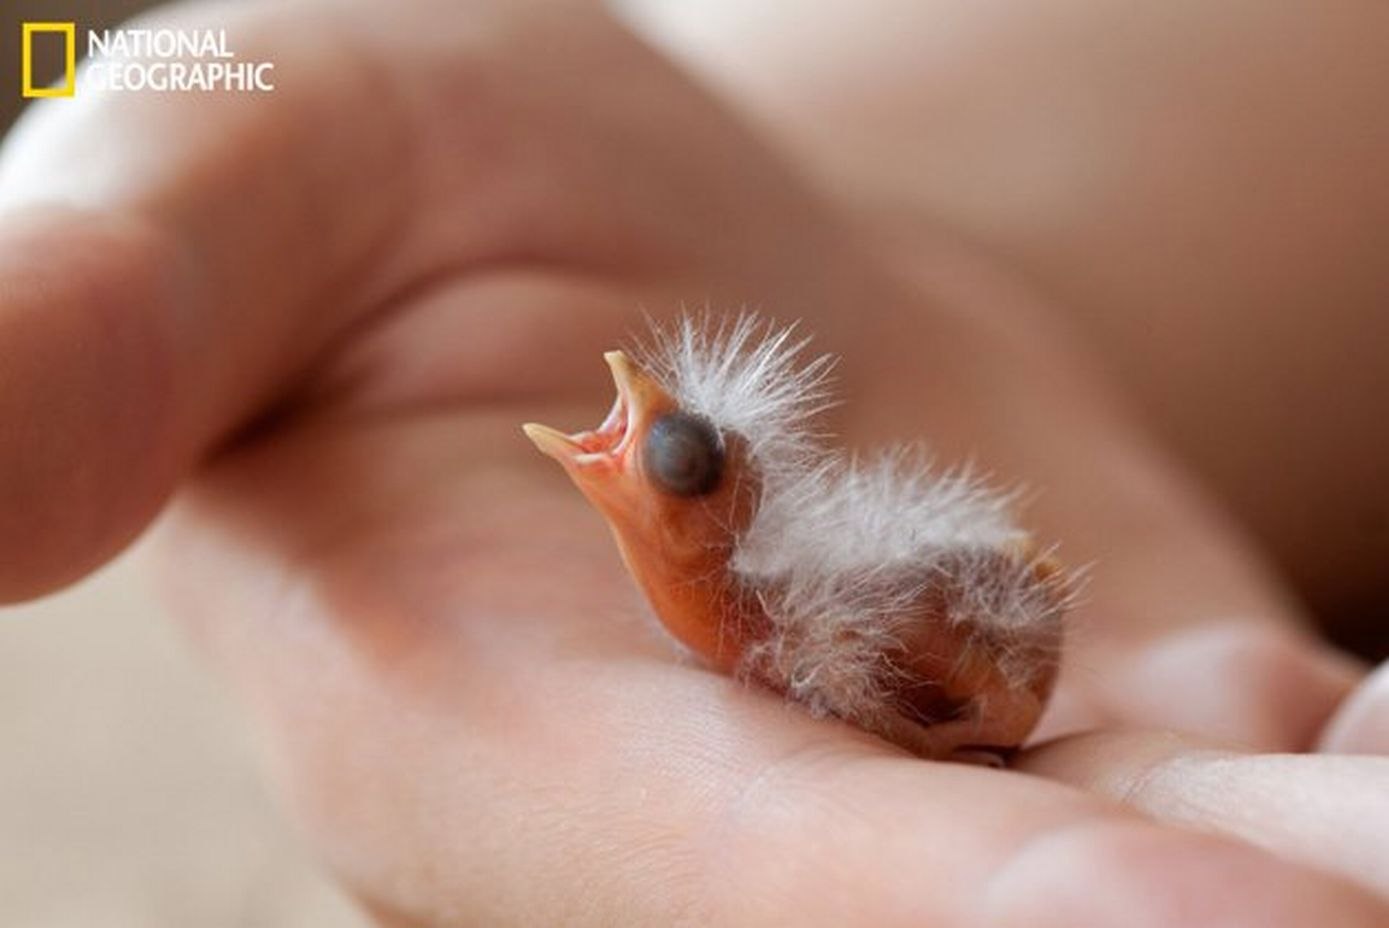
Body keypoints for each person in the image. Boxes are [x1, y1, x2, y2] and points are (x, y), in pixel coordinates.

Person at [2, 0, 1386, 923]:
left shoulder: (805, 608)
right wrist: (908, 221)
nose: (624, 448)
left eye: (664, 453)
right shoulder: (775, 590)